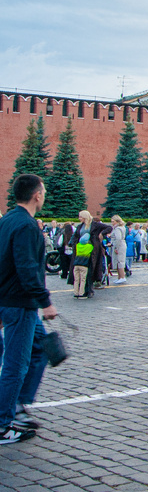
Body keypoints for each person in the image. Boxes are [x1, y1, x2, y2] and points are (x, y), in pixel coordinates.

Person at [0, 175, 57, 444]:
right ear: (37, 195)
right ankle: (3, 423)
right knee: (16, 364)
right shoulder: (26, 225)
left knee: (41, 348)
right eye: (43, 192)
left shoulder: (7, 220)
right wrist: (45, 301)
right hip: (21, 303)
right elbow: (27, 269)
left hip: (14, 301)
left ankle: (18, 405)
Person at [109, 216, 128, 283]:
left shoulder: (117, 229)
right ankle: (119, 277)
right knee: (118, 261)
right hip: (121, 244)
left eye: (113, 221)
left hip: (119, 245)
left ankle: (122, 277)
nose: (112, 223)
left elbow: (118, 238)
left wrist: (116, 248)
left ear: (117, 221)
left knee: (120, 261)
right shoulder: (122, 227)